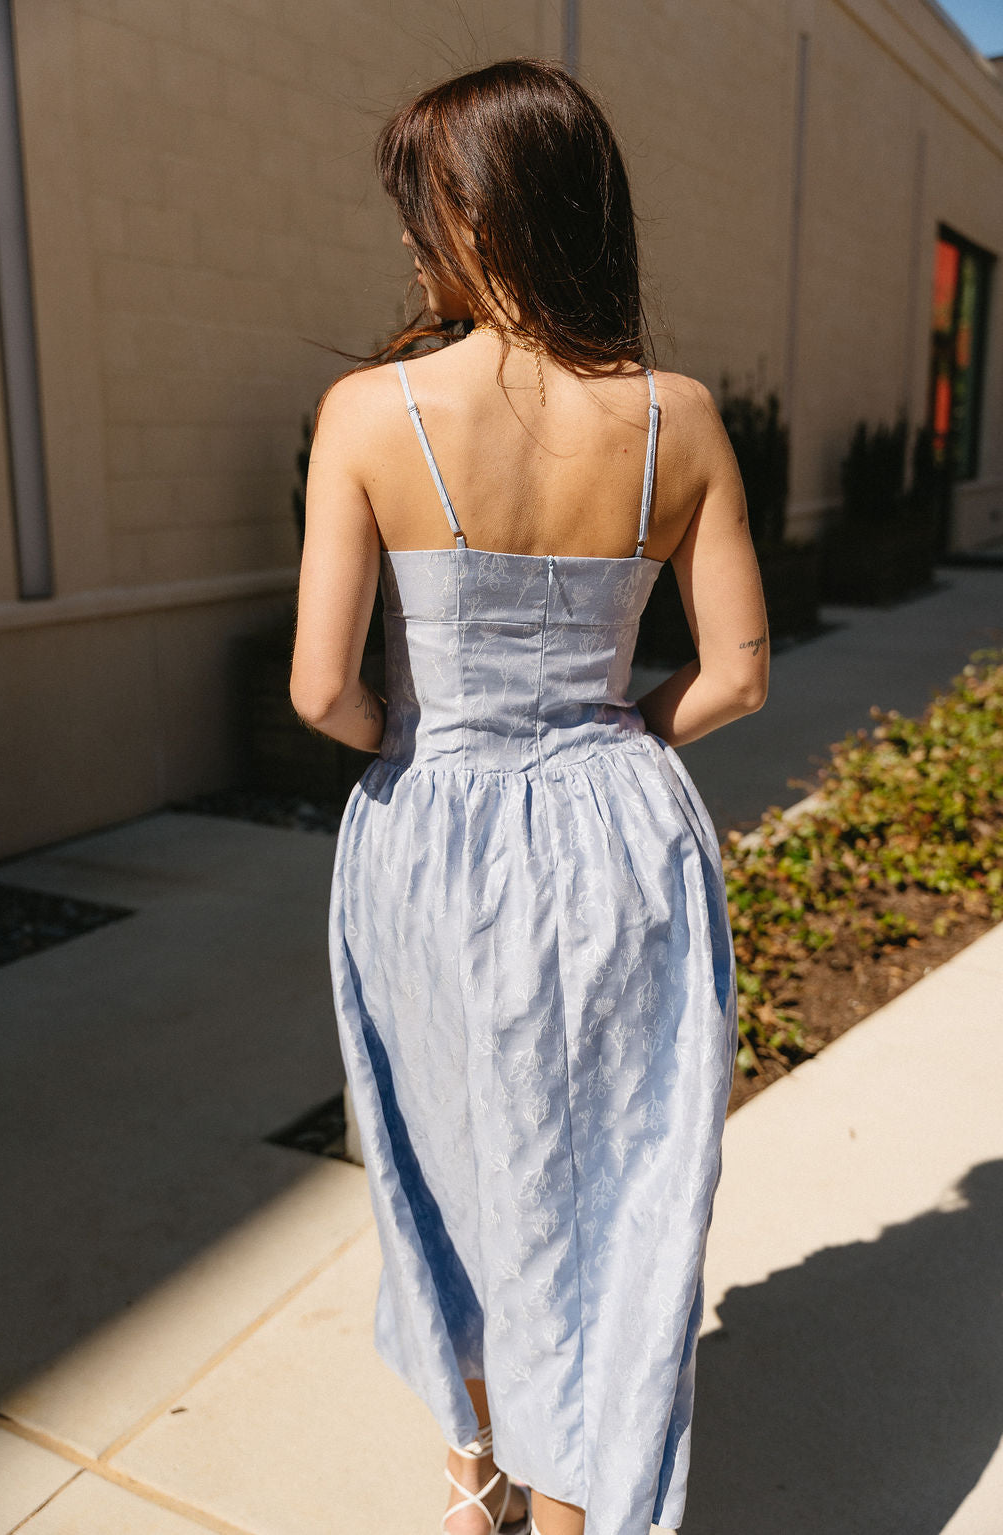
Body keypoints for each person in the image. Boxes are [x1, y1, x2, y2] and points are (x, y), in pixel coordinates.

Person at [290, 57, 768, 1535]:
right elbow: (739, 675)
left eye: (425, 206)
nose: (413, 239)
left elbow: (320, 691)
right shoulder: (677, 419)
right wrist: (605, 732)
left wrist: (424, 745)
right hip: (622, 829)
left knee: (454, 1159)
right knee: (612, 1185)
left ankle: (475, 1464)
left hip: (436, 828)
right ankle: (574, 1501)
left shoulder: (371, 414)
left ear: (477, 215)